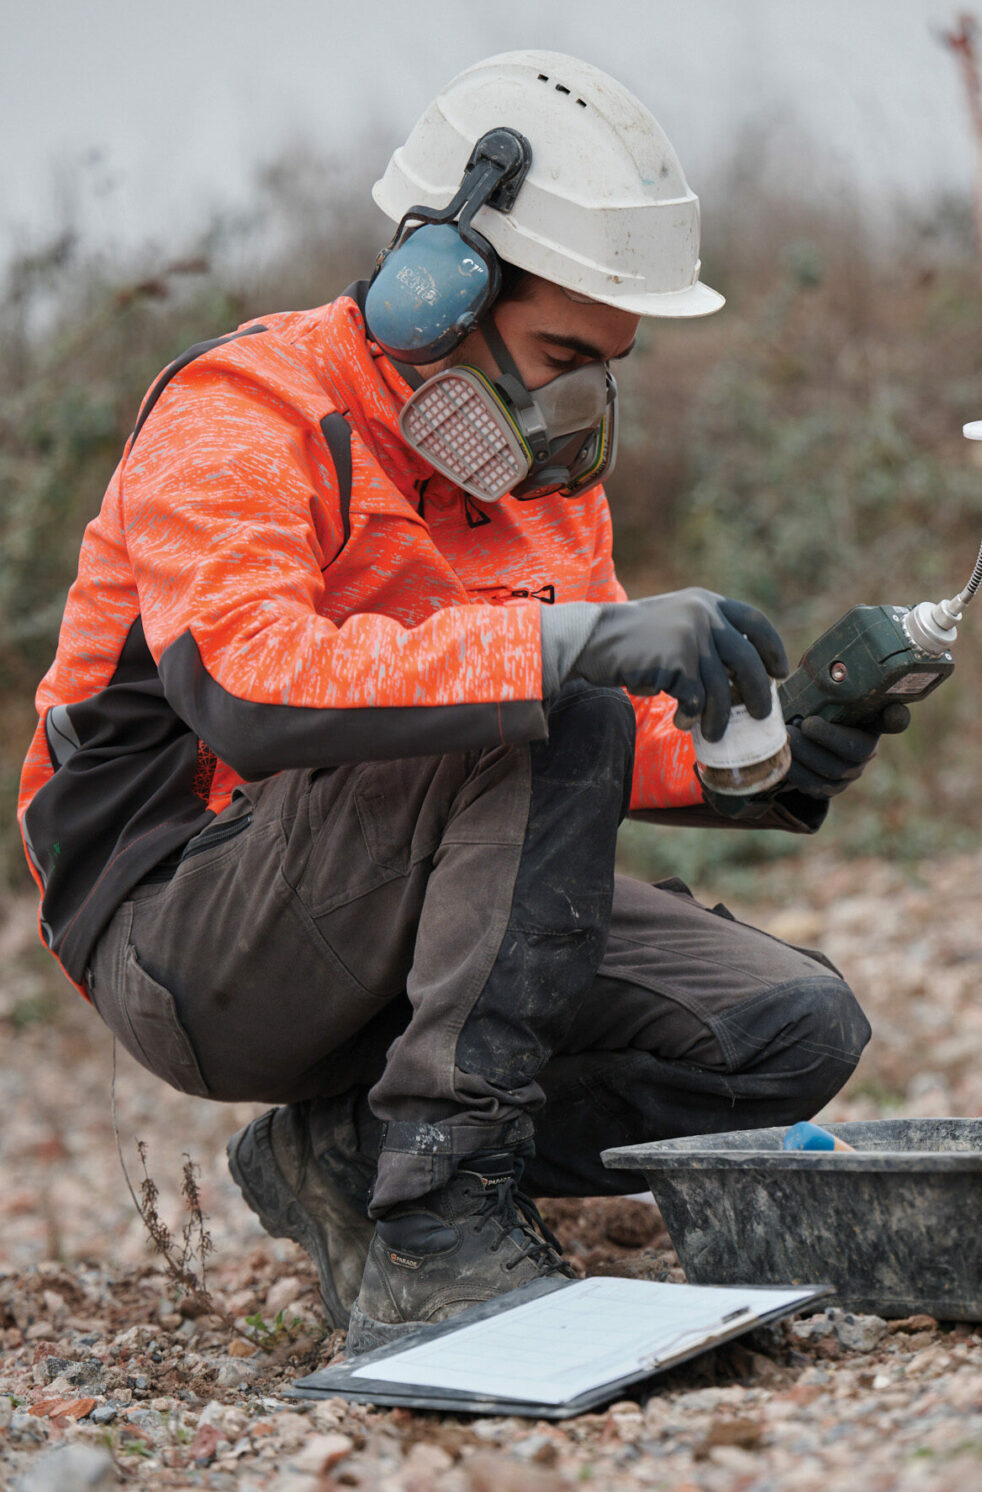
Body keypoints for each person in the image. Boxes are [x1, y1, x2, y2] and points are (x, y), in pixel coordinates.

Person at [18, 51, 900, 1355]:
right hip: (186, 935)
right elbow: (252, 690)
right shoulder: (241, 415)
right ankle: (434, 1215)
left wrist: (757, 758)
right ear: (437, 283)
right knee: (549, 689)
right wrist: (573, 648)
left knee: (778, 1032)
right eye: (557, 352)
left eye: (605, 365)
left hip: (410, 902)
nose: (573, 403)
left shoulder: (536, 473)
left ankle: (352, 1154)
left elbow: (577, 751)